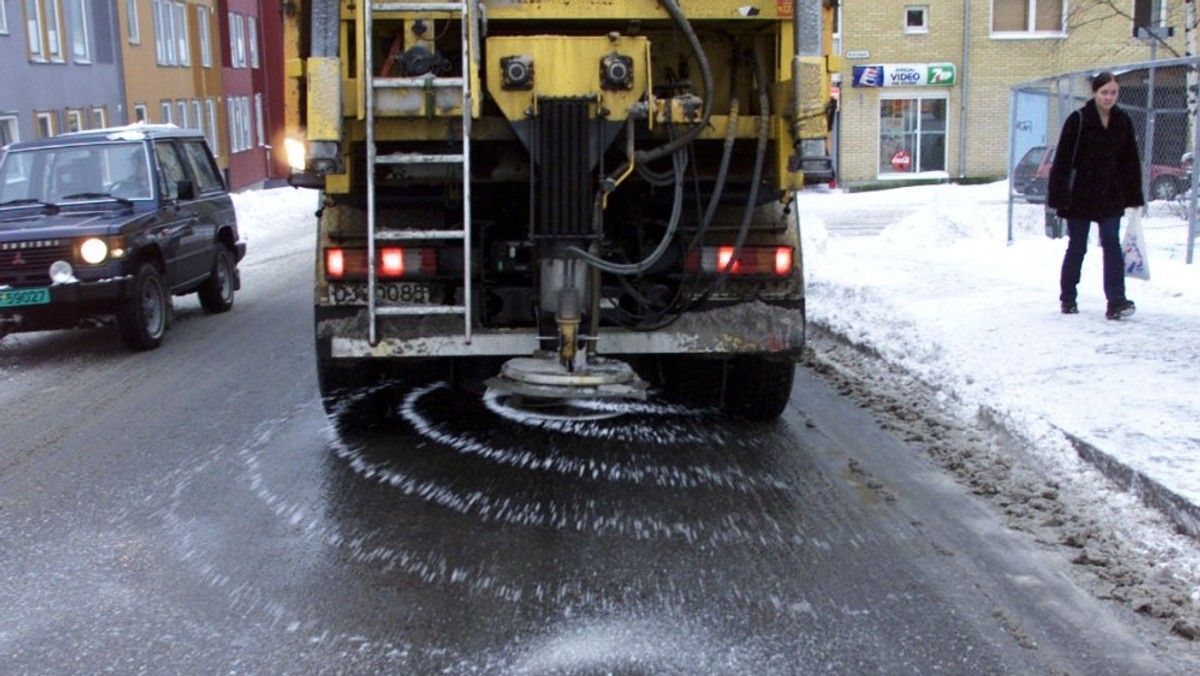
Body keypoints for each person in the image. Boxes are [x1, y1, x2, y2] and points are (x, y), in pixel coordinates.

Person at [1046, 71, 1143, 320]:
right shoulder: (1078, 120)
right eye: (1104, 92)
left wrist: (1134, 198)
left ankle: (1116, 301)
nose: (1109, 97)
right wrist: (1058, 198)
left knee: (1111, 244)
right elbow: (1062, 162)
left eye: (1113, 92)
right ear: (1095, 93)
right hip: (1079, 196)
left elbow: (1130, 161)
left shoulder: (1122, 121)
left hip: (1110, 196)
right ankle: (1068, 297)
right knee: (1077, 246)